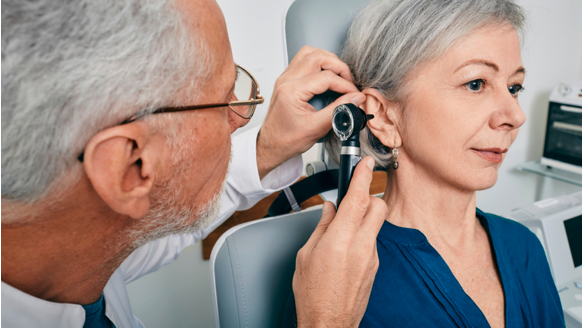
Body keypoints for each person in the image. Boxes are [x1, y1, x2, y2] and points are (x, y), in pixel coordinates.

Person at [1, 0, 387, 327]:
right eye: (224, 100)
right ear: (131, 166)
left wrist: (268, 148)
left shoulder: (74, 256)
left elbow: (158, 215)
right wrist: (325, 320)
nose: (239, 115)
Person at [284, 0, 565, 327]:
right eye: (475, 84)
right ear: (387, 118)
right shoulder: (339, 283)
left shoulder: (524, 247)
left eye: (514, 87)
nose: (516, 116)